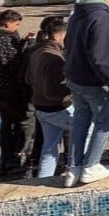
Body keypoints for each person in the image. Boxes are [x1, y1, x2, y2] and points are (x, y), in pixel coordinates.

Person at [64, 0, 109, 186]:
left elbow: (67, 43)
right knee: (103, 123)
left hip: (75, 76)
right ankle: (91, 165)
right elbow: (101, 56)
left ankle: (73, 168)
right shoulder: (102, 17)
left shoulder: (79, 11)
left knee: (81, 121)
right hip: (94, 80)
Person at [0, 10, 34, 175]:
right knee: (23, 123)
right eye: (16, 25)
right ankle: (19, 158)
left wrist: (21, 41)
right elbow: (14, 62)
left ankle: (6, 159)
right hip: (10, 89)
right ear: (8, 23)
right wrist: (27, 46)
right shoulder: (4, 40)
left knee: (6, 123)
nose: (17, 28)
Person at [25, 16, 74, 179]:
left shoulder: (37, 51)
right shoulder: (54, 58)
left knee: (50, 147)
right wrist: (72, 90)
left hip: (41, 107)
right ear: (59, 36)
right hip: (57, 108)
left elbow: (28, 78)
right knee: (86, 132)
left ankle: (43, 179)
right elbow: (53, 92)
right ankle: (76, 171)